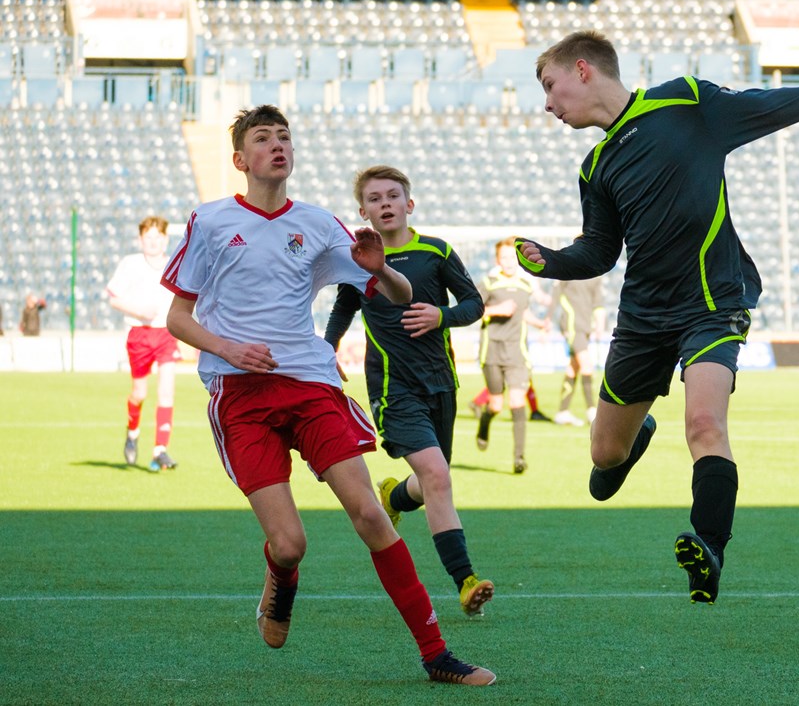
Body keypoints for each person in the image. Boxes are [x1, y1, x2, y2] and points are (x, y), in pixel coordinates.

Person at [515, 30, 799, 603]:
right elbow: (601, 251)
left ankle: (708, 549)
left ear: (582, 70)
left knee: (706, 426)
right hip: (642, 317)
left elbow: (771, 106)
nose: (548, 104)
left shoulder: (684, 101)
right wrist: (552, 261)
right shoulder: (594, 167)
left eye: (550, 86)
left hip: (713, 304)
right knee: (604, 464)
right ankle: (636, 435)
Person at [162, 105, 494, 685]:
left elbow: (391, 292)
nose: (277, 145)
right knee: (290, 544)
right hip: (239, 395)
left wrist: (380, 268)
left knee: (370, 512)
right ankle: (279, 580)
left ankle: (436, 655)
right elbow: (177, 318)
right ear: (241, 160)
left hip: (310, 384)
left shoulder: (319, 224)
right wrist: (230, 348)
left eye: (284, 136)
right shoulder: (210, 221)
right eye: (263, 139)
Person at [323, 165, 494, 618]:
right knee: (439, 477)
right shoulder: (357, 260)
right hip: (392, 389)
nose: (385, 203)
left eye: (392, 196)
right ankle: (466, 581)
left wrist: (442, 316)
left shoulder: (435, 251)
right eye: (374, 198)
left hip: (441, 381)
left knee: (429, 481)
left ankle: (395, 497)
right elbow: (344, 306)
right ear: (363, 211)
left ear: (408, 204)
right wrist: (327, 349)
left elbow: (474, 304)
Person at [107, 215, 182, 471]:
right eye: (147, 237)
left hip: (165, 333)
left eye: (157, 237)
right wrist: (139, 310)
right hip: (139, 334)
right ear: (140, 239)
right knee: (139, 393)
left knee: (167, 391)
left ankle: (160, 450)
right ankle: (132, 431)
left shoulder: (174, 263)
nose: (153, 242)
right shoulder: (130, 264)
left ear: (165, 239)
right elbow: (113, 298)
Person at [476, 236, 549, 474]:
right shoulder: (488, 283)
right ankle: (484, 423)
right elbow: (473, 311)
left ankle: (519, 458)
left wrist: (539, 324)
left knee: (517, 402)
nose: (508, 261)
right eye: (504, 257)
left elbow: (523, 313)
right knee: (496, 405)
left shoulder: (526, 286)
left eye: (511, 257)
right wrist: (496, 310)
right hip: (492, 351)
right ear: (498, 260)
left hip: (517, 353)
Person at [551, 276, 606, 426]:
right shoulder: (570, 269)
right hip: (572, 325)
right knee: (587, 365)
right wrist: (547, 320)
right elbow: (555, 295)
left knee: (573, 367)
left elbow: (598, 302)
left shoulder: (597, 274)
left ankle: (562, 412)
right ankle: (591, 411)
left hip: (586, 326)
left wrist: (600, 323)